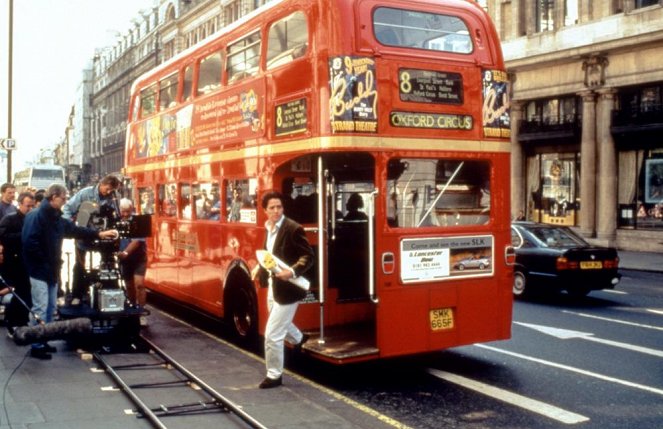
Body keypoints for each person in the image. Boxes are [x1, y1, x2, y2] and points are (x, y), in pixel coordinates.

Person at [22, 184, 118, 360]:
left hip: (50, 270)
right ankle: (36, 344)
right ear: (53, 198)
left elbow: (75, 230)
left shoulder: (56, 218)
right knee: (40, 308)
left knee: (50, 308)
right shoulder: (36, 216)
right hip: (39, 270)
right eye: (64, 198)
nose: (66, 202)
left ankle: (44, 339)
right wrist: (45, 262)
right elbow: (29, 243)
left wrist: (99, 234)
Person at [257, 191, 314, 389]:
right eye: (272, 208)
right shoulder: (268, 227)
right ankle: (299, 339)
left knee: (272, 334)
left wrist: (291, 271)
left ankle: (274, 375)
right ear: (265, 211)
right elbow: (269, 253)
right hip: (275, 285)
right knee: (278, 321)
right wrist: (260, 268)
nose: (276, 211)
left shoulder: (293, 228)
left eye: (279, 207)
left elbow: (308, 257)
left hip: (289, 288)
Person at [62, 174, 121, 305]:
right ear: (102, 184)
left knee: (109, 264)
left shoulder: (114, 197)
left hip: (105, 235)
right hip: (84, 234)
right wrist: (69, 226)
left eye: (113, 190)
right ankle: (77, 294)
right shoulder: (85, 193)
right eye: (108, 189)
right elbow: (67, 208)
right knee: (80, 265)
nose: (110, 192)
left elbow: (117, 215)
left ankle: (110, 293)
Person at [0, 192, 36, 338]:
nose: (30, 209)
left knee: (27, 293)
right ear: (20, 204)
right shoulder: (9, 219)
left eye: (32, 206)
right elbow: (3, 237)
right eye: (28, 206)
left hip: (29, 262)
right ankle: (12, 323)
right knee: (18, 293)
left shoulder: (34, 219)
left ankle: (22, 321)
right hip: (13, 263)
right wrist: (24, 234)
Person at [117, 198, 148, 326]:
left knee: (139, 284)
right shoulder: (117, 222)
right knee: (129, 286)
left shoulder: (138, 221)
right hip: (125, 260)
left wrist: (125, 253)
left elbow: (136, 241)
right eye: (123, 212)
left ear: (132, 209)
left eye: (127, 212)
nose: (125, 215)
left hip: (138, 257)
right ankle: (133, 308)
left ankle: (141, 313)